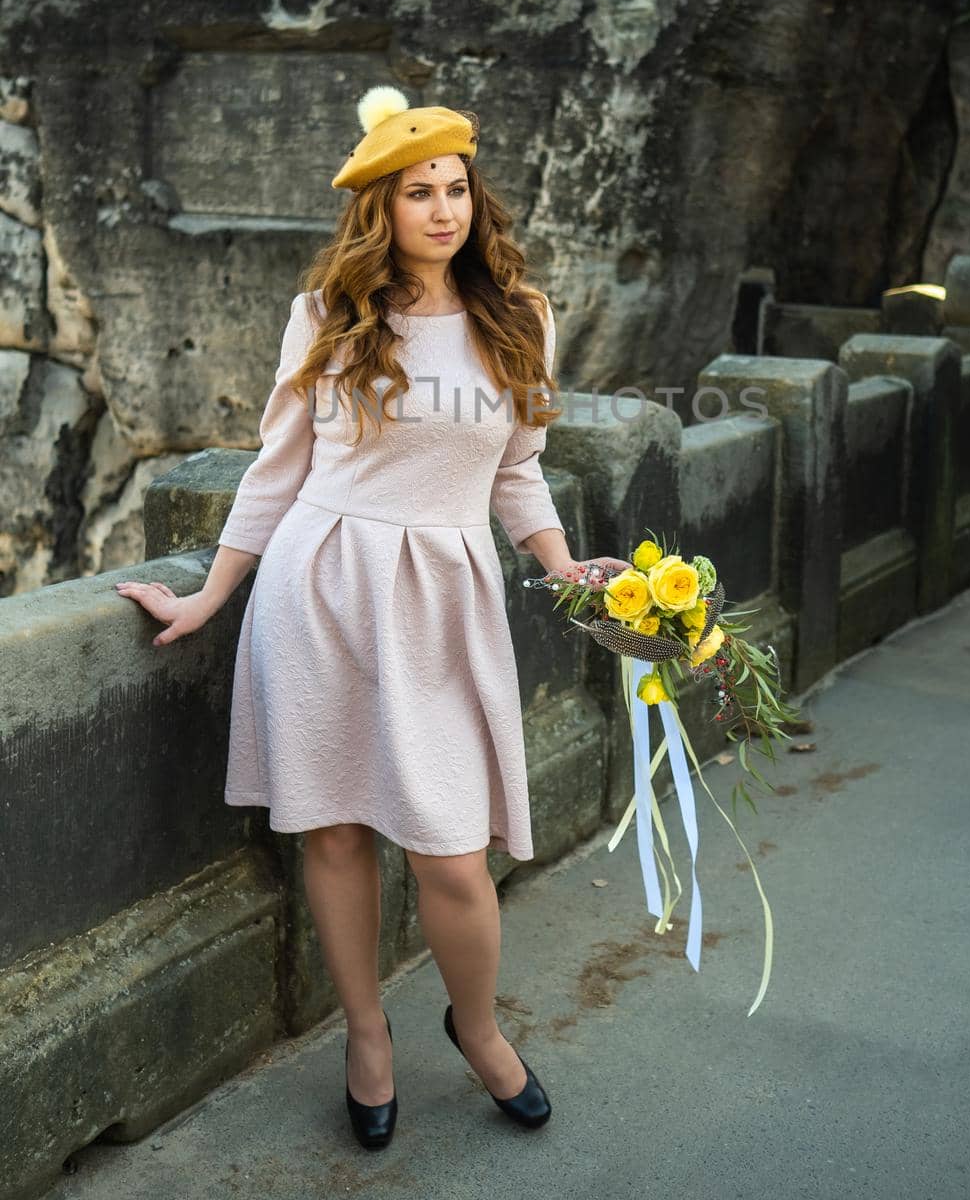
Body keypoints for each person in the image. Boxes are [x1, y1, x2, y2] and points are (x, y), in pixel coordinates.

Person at [116, 85, 627, 1151]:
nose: (442, 209)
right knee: (336, 828)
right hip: (320, 588)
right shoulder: (328, 317)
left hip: (443, 598)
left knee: (451, 851)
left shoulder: (518, 317)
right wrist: (211, 592)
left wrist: (568, 566)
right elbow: (276, 470)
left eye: (454, 188)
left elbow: (519, 473)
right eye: (417, 192)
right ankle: (365, 1035)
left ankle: (476, 1026)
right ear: (378, 210)